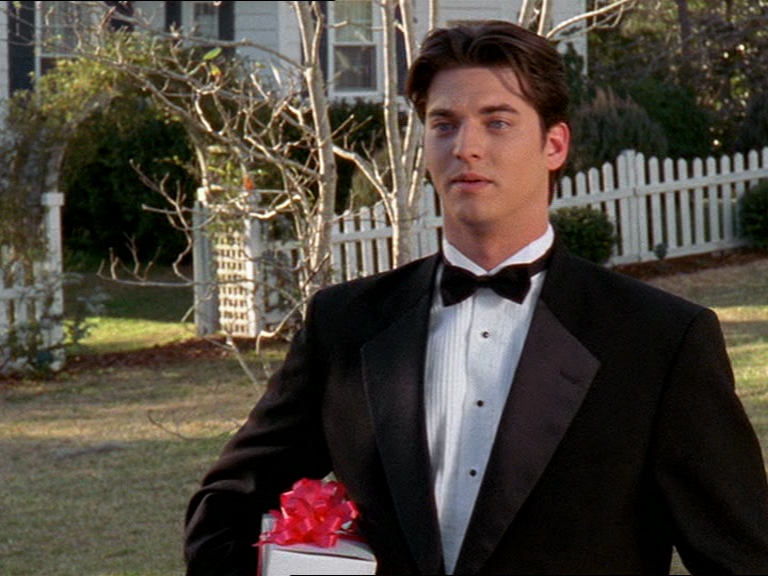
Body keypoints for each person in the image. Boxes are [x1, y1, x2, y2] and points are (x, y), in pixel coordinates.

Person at [184, 20, 768, 575]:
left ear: (554, 144)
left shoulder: (658, 340)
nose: (466, 147)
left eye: (497, 122)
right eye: (444, 124)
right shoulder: (345, 325)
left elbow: (743, 558)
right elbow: (225, 505)